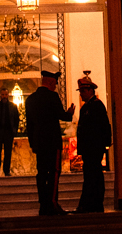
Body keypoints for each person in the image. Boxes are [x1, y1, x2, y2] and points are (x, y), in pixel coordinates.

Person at [24, 69, 74, 216]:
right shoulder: (52, 96)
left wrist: (33, 143)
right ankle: (52, 203)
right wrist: (69, 113)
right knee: (53, 173)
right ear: (51, 82)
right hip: (52, 142)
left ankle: (43, 204)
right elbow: (61, 116)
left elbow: (29, 125)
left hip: (39, 143)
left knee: (41, 173)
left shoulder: (31, 99)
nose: (56, 87)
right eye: (55, 84)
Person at [73, 72, 111, 213]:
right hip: (88, 149)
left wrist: (105, 144)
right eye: (81, 91)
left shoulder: (97, 106)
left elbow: (104, 126)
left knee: (94, 175)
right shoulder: (85, 108)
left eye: (83, 90)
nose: (81, 94)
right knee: (89, 175)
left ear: (90, 90)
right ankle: (89, 203)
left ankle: (94, 203)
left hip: (94, 148)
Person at [0, 88, 20, 177]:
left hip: (8, 132)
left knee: (8, 152)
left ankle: (6, 171)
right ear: (0, 95)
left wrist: (14, 131)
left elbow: (16, 119)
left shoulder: (13, 106)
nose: (4, 97)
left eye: (5, 95)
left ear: (8, 95)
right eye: (2, 95)